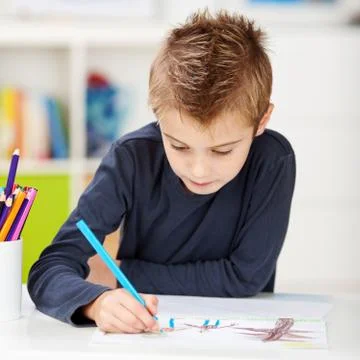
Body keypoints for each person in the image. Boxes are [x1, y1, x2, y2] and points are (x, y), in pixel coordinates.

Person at [28, 9, 296, 334]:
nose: (198, 169)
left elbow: (245, 277)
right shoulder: (131, 158)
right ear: (158, 114)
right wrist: (95, 303)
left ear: (262, 121)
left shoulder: (272, 161)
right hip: (146, 336)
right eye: (179, 146)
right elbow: (49, 270)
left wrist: (119, 273)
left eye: (222, 150)